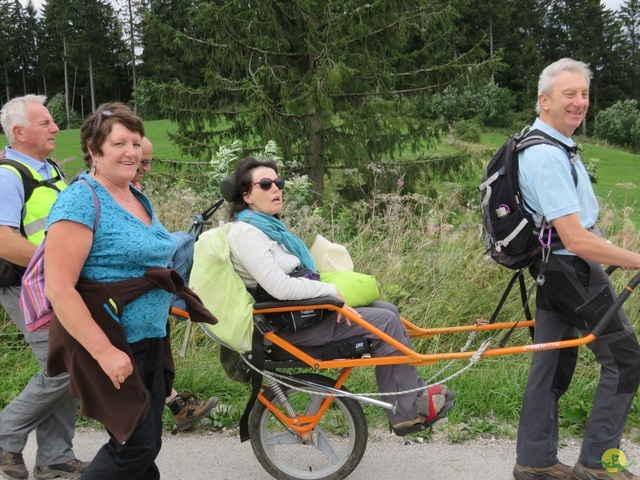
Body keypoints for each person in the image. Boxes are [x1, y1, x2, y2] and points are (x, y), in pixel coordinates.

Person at [224, 156, 455, 435]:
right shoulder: (246, 233)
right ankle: (406, 412)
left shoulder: (266, 229)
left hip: (301, 315)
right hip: (288, 327)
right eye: (266, 184)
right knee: (385, 322)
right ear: (247, 195)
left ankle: (410, 394)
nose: (276, 188)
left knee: (387, 310)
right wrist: (331, 292)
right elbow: (279, 287)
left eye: (278, 182)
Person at [42, 102, 187, 479]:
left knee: (142, 444)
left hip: (149, 338)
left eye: (136, 143)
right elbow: (58, 288)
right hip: (109, 341)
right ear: (94, 150)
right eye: (120, 143)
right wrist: (105, 352)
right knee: (134, 446)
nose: (131, 152)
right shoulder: (80, 200)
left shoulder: (136, 196)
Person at [513, 58, 640, 480]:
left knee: (552, 361)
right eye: (569, 94)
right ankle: (599, 465)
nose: (579, 102)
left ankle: (535, 461)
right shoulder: (547, 156)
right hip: (571, 269)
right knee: (625, 360)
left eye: (584, 94)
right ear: (543, 100)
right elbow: (577, 238)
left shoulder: (548, 143)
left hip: (553, 269)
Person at [0, 95, 90, 480]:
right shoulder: (7, 174)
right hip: (25, 287)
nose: (56, 128)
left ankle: (54, 457)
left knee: (66, 364)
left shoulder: (48, 167)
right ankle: (5, 434)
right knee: (64, 368)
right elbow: (3, 241)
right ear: (19, 132)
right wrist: (53, 265)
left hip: (52, 284)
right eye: (46, 123)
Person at [133, 136, 219, 430]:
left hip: (149, 297)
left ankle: (174, 405)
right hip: (128, 298)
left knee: (157, 360)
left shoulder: (134, 193)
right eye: (139, 162)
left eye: (147, 162)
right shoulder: (103, 196)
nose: (144, 168)